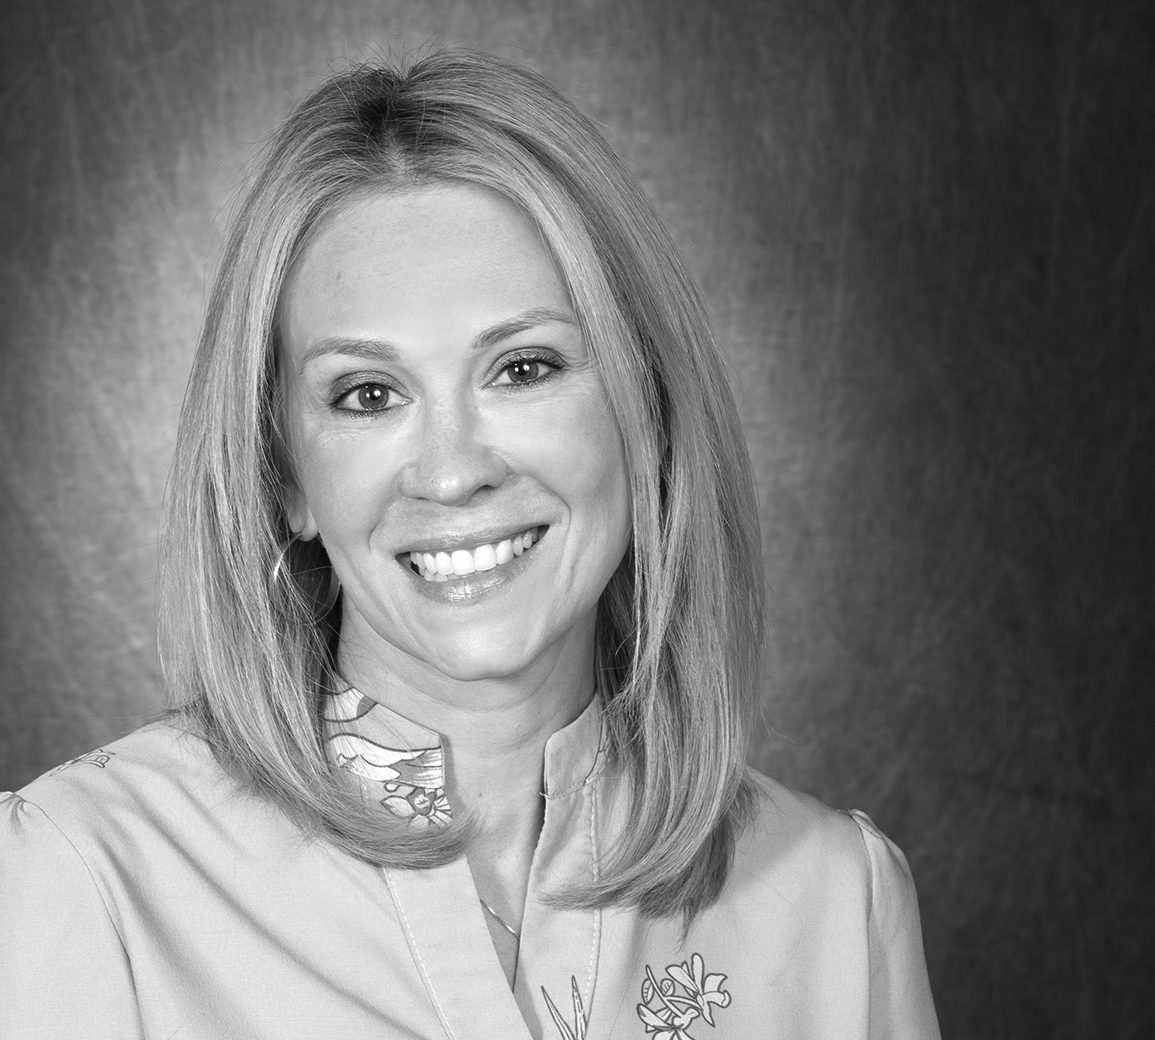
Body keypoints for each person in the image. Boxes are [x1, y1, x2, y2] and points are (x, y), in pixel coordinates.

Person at [0, 50, 940, 1039]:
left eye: (523, 367)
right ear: (283, 476)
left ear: (646, 412)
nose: (453, 471)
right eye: (369, 394)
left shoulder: (838, 903)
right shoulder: (78, 877)